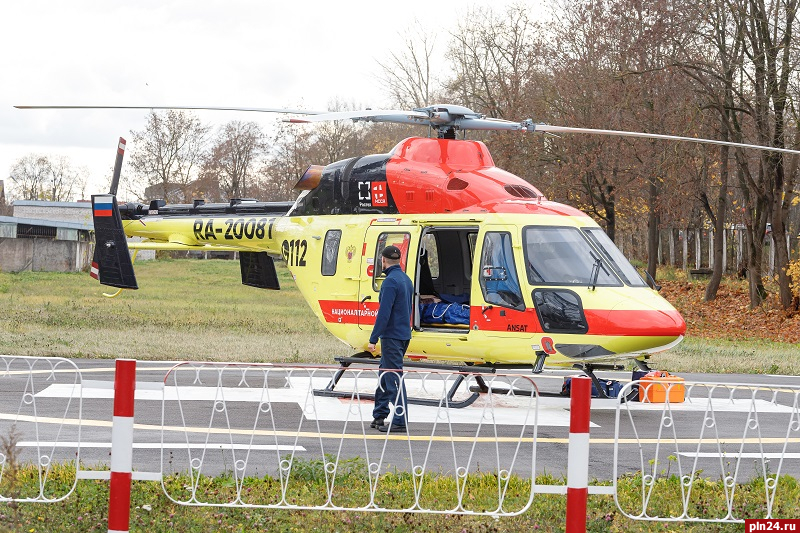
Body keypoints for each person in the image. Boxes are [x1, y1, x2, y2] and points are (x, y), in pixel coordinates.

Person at [367, 245, 413, 434]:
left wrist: (373, 338)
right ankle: (380, 415)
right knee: (384, 375)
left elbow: (383, 314)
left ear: (383, 261)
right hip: (403, 335)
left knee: (393, 377)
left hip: (392, 336)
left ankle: (400, 420)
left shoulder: (390, 282)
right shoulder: (406, 279)